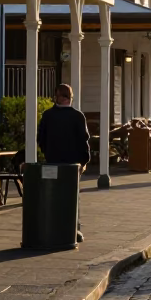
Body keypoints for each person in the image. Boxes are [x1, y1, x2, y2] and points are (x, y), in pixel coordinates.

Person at [38, 83, 91, 242]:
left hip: (53, 161)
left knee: (54, 195)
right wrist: (84, 161)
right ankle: (74, 229)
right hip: (72, 163)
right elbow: (84, 140)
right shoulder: (78, 116)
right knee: (72, 197)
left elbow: (41, 138)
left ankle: (54, 227)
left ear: (57, 96)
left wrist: (48, 153)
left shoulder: (48, 115)